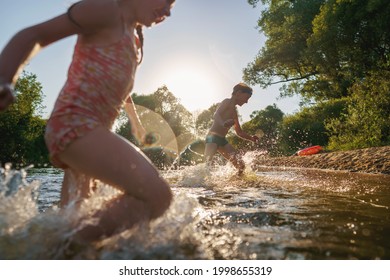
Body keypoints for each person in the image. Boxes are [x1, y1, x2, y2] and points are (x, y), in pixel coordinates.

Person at [0, 0, 176, 241]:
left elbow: (122, 90)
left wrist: (135, 123)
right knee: (157, 196)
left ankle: (52, 251)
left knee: (75, 215)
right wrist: (5, 78)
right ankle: (62, 250)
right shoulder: (105, 11)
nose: (167, 11)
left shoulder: (134, 39)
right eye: (167, 1)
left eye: (172, 7)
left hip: (92, 134)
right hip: (75, 124)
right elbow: (35, 35)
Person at [204, 83, 259, 175]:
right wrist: (223, 124)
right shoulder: (227, 102)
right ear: (238, 93)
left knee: (241, 166)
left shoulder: (234, 113)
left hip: (222, 140)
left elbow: (239, 132)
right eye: (247, 98)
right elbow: (216, 115)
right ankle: (197, 182)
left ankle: (236, 182)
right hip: (212, 138)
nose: (246, 102)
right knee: (207, 165)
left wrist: (251, 138)